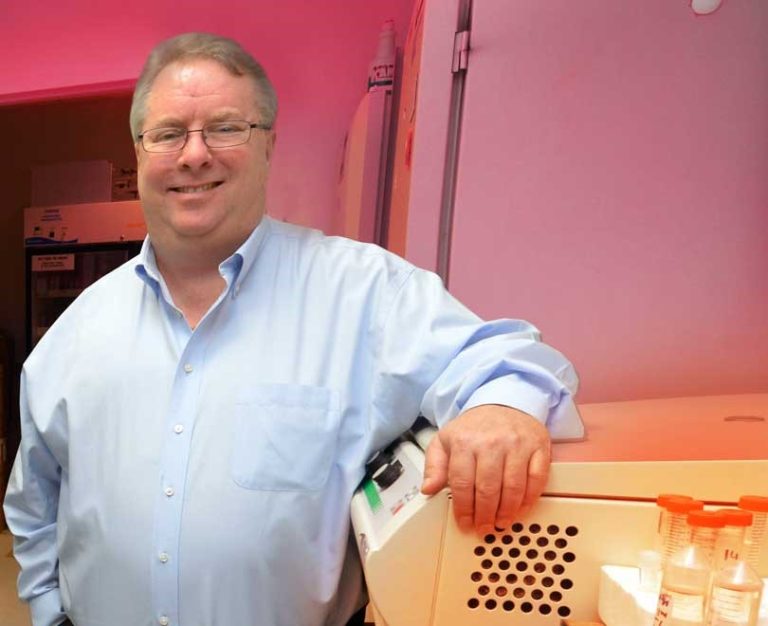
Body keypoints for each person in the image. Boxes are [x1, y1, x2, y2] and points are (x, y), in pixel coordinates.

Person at [4, 33, 581, 626]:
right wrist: (49, 609)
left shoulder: (365, 294)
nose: (194, 155)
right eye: (169, 133)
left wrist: (500, 411)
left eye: (225, 128)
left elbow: (506, 358)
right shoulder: (75, 331)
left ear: (269, 144)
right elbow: (35, 498)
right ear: (140, 151)